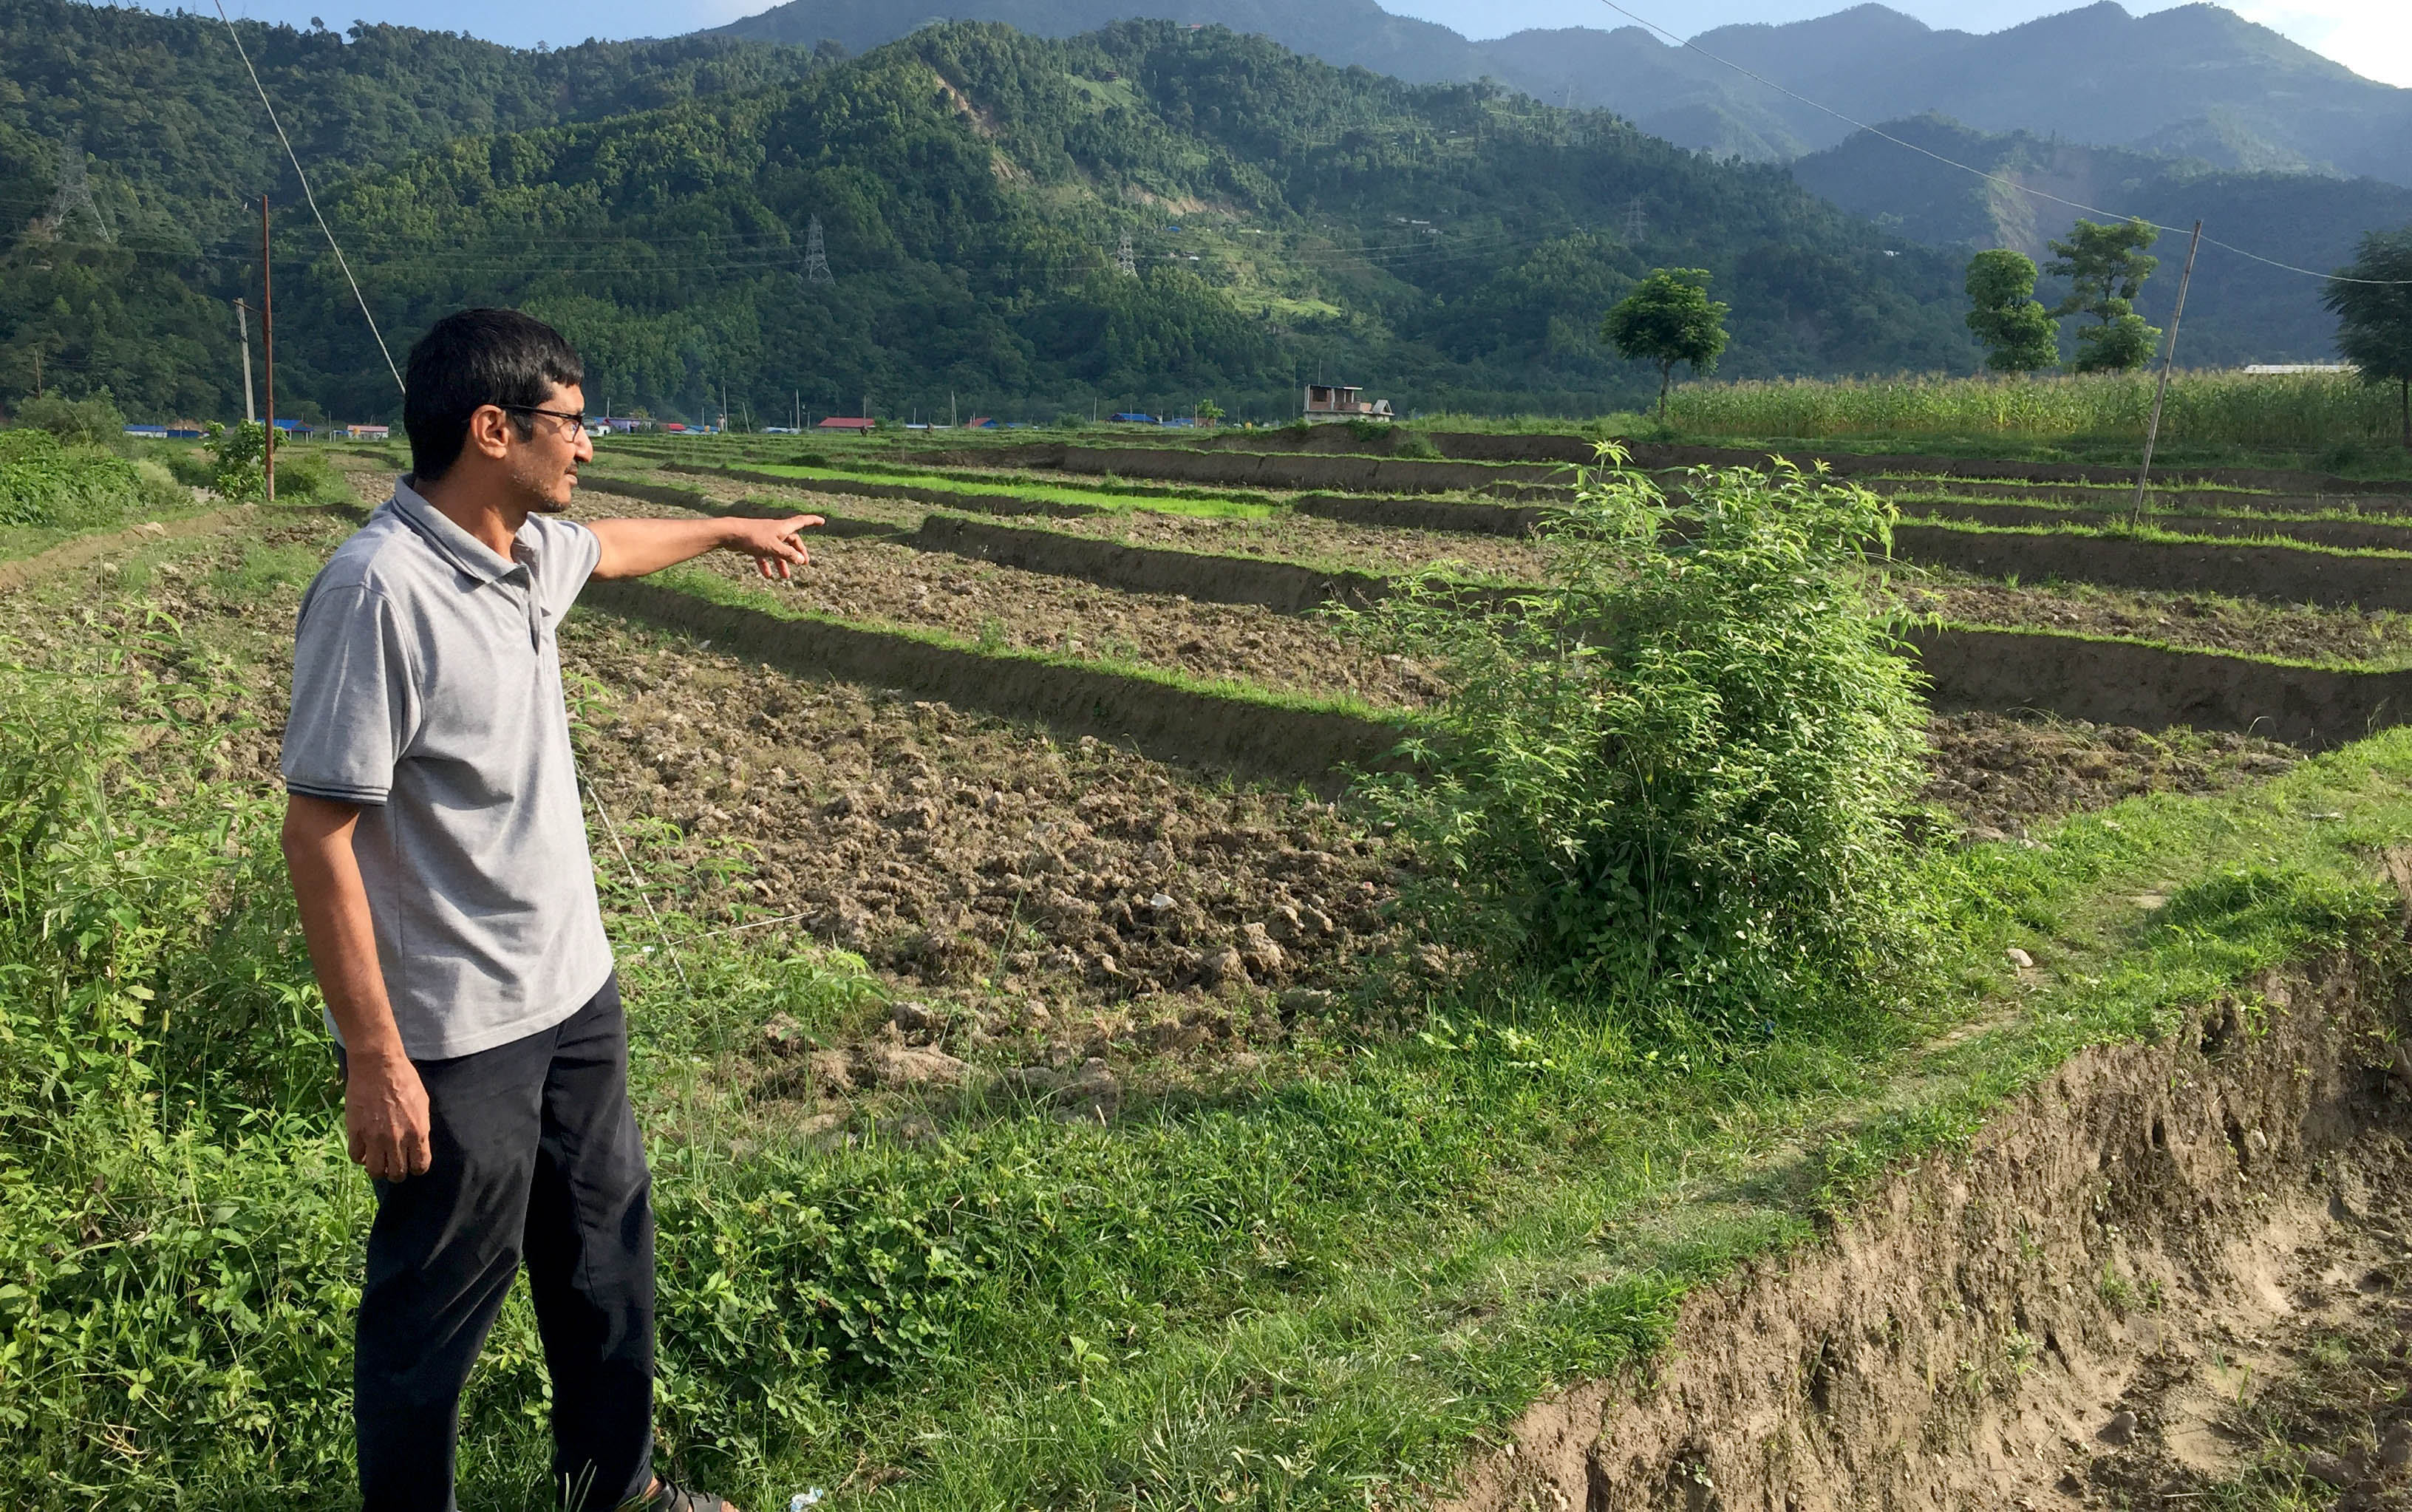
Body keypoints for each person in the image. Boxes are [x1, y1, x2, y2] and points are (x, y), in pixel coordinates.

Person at [279, 308, 820, 1511]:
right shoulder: (380, 591)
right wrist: (375, 1056)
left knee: (603, 1262)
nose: (587, 445)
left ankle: (614, 1492)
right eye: (572, 421)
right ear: (493, 428)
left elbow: (614, 546)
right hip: (457, 1032)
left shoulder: (524, 553)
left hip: (574, 994)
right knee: (434, 1314)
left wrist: (732, 529)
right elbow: (317, 834)